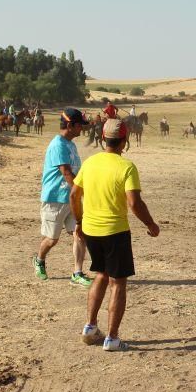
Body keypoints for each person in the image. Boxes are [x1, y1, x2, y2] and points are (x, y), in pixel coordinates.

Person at [71, 118, 159, 352]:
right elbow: (134, 202)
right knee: (118, 283)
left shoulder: (89, 163)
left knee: (101, 274)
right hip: (115, 232)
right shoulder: (127, 167)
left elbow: (73, 195)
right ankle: (112, 338)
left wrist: (79, 222)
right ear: (125, 141)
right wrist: (151, 224)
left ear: (102, 139)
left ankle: (90, 327)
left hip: (91, 230)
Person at [33, 108, 93, 285]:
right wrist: (82, 192)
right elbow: (66, 173)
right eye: (79, 125)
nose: (81, 128)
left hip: (71, 198)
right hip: (55, 199)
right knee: (52, 239)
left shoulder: (71, 144)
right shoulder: (58, 145)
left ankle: (77, 273)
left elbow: (77, 172)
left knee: (80, 233)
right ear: (70, 125)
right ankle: (39, 259)